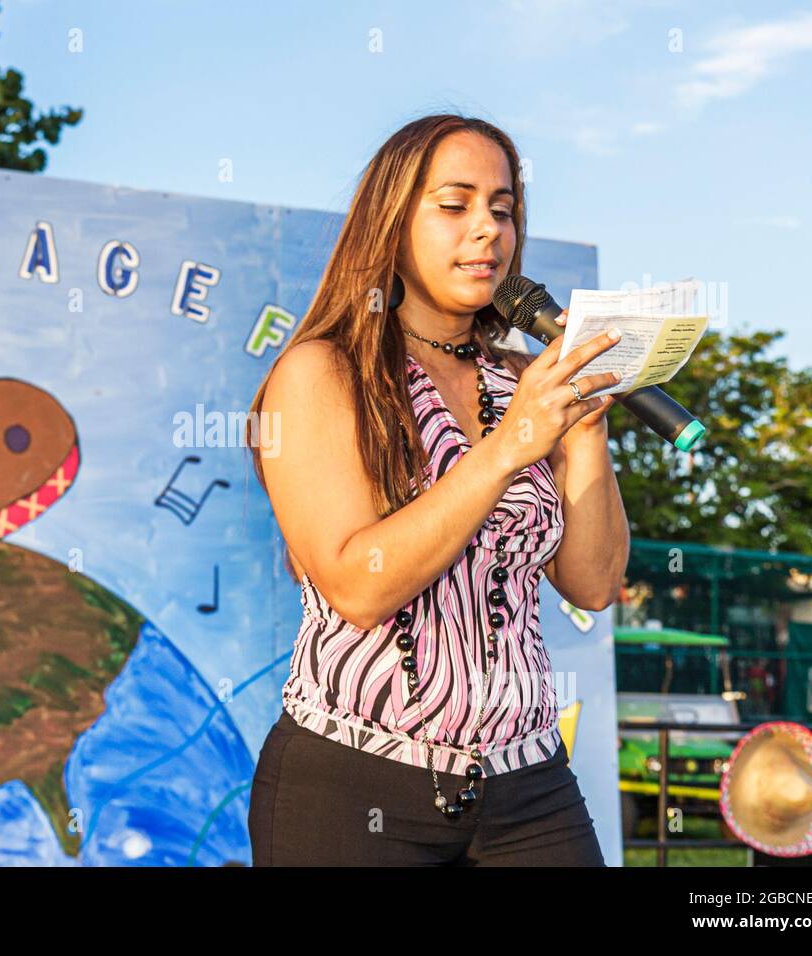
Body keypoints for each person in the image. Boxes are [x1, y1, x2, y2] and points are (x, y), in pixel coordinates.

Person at [243, 115, 630, 866]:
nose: (487, 228)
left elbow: (594, 582)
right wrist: (510, 447)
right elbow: (358, 584)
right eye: (455, 205)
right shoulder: (323, 374)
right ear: (392, 221)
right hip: (354, 788)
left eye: (503, 208)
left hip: (530, 787)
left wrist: (583, 432)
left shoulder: (518, 381)